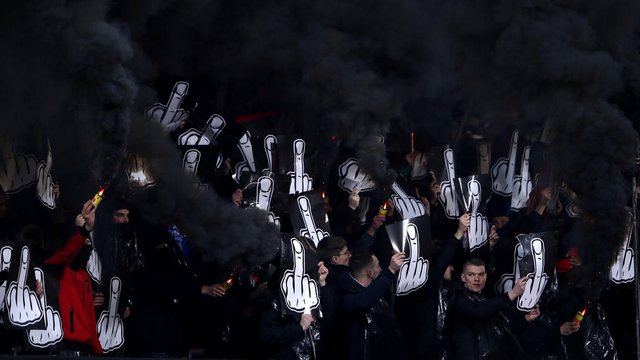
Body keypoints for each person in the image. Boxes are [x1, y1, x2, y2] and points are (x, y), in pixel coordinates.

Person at [44, 200, 103, 356]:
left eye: (90, 242)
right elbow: (66, 253)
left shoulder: (85, 276)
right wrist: (84, 230)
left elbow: (90, 319)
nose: (88, 247)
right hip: (63, 348)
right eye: (85, 242)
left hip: (85, 349)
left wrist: (97, 351)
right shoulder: (57, 268)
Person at [445, 257, 529, 360]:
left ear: (485, 277)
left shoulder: (485, 298)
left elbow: (501, 325)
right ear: (463, 277)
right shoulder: (458, 297)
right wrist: (512, 293)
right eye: (471, 275)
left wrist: (527, 318)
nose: (477, 279)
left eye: (480, 275)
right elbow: (477, 312)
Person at [340, 251, 406, 360]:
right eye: (378, 266)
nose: (380, 270)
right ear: (369, 273)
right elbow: (363, 301)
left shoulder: (373, 288)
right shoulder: (345, 294)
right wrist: (390, 271)